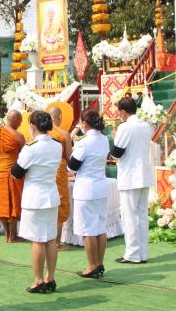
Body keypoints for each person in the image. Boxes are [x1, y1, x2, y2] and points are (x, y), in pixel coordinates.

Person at [11, 111, 62, 294]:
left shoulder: (31, 148)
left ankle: (39, 280)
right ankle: (51, 277)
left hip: (35, 198)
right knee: (50, 239)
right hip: (50, 195)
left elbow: (17, 172)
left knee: (37, 241)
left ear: (32, 126)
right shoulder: (57, 145)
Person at [67, 109, 109, 278]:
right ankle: (99, 263)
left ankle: (92, 265)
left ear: (84, 124)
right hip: (100, 186)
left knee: (88, 229)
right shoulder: (104, 139)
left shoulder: (84, 142)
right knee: (99, 227)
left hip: (86, 188)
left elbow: (72, 166)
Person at [112, 97, 152, 264]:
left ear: (123, 111)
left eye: (119, 112)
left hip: (130, 176)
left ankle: (132, 254)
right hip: (144, 175)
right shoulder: (145, 125)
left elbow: (116, 153)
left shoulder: (125, 127)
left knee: (129, 216)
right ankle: (142, 253)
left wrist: (115, 137)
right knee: (142, 215)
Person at [0, 110, 25, 243]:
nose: (20, 125)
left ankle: (7, 235)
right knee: (14, 202)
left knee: (2, 203)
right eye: (19, 122)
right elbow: (23, 158)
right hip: (14, 173)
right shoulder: (18, 136)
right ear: (14, 120)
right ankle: (13, 235)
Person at [48, 107, 72, 251]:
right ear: (59, 117)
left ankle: (45, 240)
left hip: (44, 170)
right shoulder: (63, 134)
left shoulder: (41, 134)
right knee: (60, 203)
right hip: (59, 169)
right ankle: (56, 242)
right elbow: (69, 157)